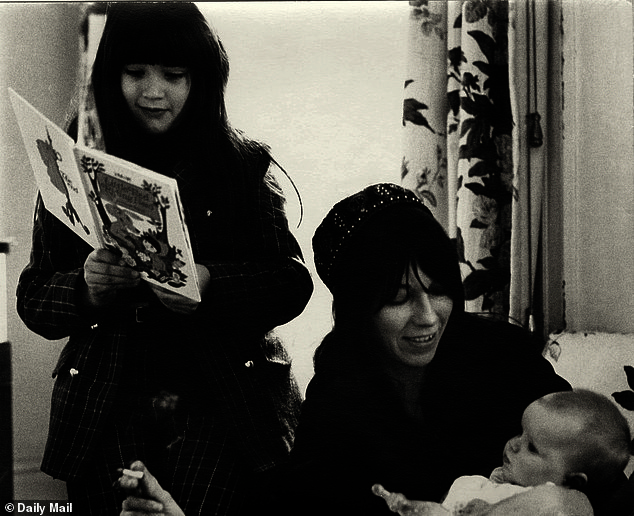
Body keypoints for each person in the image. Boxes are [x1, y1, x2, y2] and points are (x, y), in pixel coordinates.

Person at [16, 3, 313, 515]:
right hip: (104, 404)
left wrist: (208, 283)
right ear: (111, 75)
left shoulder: (239, 166)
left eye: (174, 75)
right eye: (135, 73)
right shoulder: (73, 166)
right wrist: (86, 289)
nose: (154, 92)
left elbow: (290, 283)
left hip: (223, 400)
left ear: (202, 79)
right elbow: (33, 299)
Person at [268, 182, 572, 515]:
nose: (428, 317)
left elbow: (589, 458)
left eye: (439, 290)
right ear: (359, 309)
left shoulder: (504, 355)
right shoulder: (335, 398)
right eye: (399, 298)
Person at [372, 389, 633, 515]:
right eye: (521, 432)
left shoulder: (565, 504)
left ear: (571, 481)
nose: (513, 444)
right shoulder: (477, 484)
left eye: (532, 447)